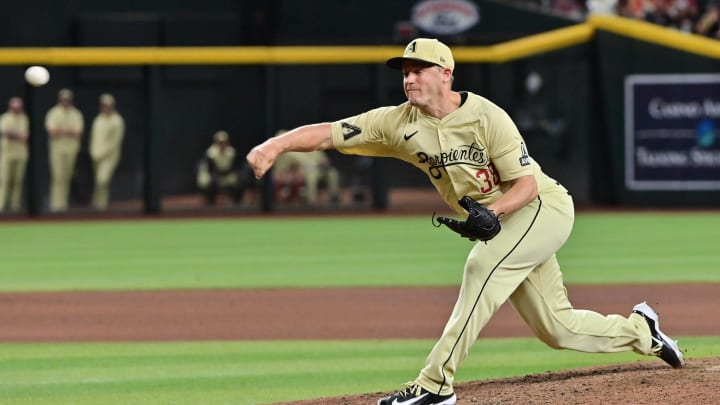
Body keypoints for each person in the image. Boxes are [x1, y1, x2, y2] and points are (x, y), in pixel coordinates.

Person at [246, 38, 684, 405]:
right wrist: (274, 147)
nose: (409, 77)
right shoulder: (396, 123)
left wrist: (493, 213)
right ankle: (641, 331)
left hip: (540, 209)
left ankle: (436, 385)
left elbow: (526, 186)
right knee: (557, 328)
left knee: (481, 265)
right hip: (505, 224)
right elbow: (329, 132)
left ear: (445, 74)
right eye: (405, 70)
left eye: (420, 69)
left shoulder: (487, 116)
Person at [45, 88, 84, 212]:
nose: (65, 102)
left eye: (67, 100)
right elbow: (52, 132)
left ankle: (63, 204)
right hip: (57, 150)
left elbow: (77, 133)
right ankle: (56, 204)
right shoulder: (54, 113)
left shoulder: (76, 114)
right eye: (63, 100)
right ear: (59, 100)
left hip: (71, 150)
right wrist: (68, 131)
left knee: (67, 177)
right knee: (57, 176)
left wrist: (61, 131)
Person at [89, 93, 125, 211]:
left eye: (108, 105)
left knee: (102, 179)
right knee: (98, 180)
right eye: (103, 105)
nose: (105, 107)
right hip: (96, 155)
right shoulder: (98, 119)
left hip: (109, 156)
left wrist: (102, 153)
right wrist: (93, 152)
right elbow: (94, 138)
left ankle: (101, 204)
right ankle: (97, 203)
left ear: (112, 106)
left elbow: (115, 142)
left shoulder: (117, 121)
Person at [197, 130, 252, 206]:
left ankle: (237, 204)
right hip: (215, 176)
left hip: (228, 175)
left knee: (239, 182)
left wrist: (232, 175)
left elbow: (235, 167)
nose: (222, 144)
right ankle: (210, 205)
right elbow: (210, 169)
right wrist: (217, 175)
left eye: (224, 142)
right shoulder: (210, 153)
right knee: (210, 183)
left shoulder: (231, 152)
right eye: (220, 142)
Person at [0, 97, 29, 213]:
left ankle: (14, 208)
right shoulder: (5, 118)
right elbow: (6, 133)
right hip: (7, 154)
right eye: (14, 107)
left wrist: (14, 135)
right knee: (4, 181)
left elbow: (25, 137)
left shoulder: (24, 118)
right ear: (10, 107)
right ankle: (1, 206)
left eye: (18, 107)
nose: (16, 109)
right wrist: (18, 136)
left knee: (17, 182)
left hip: (21, 154)